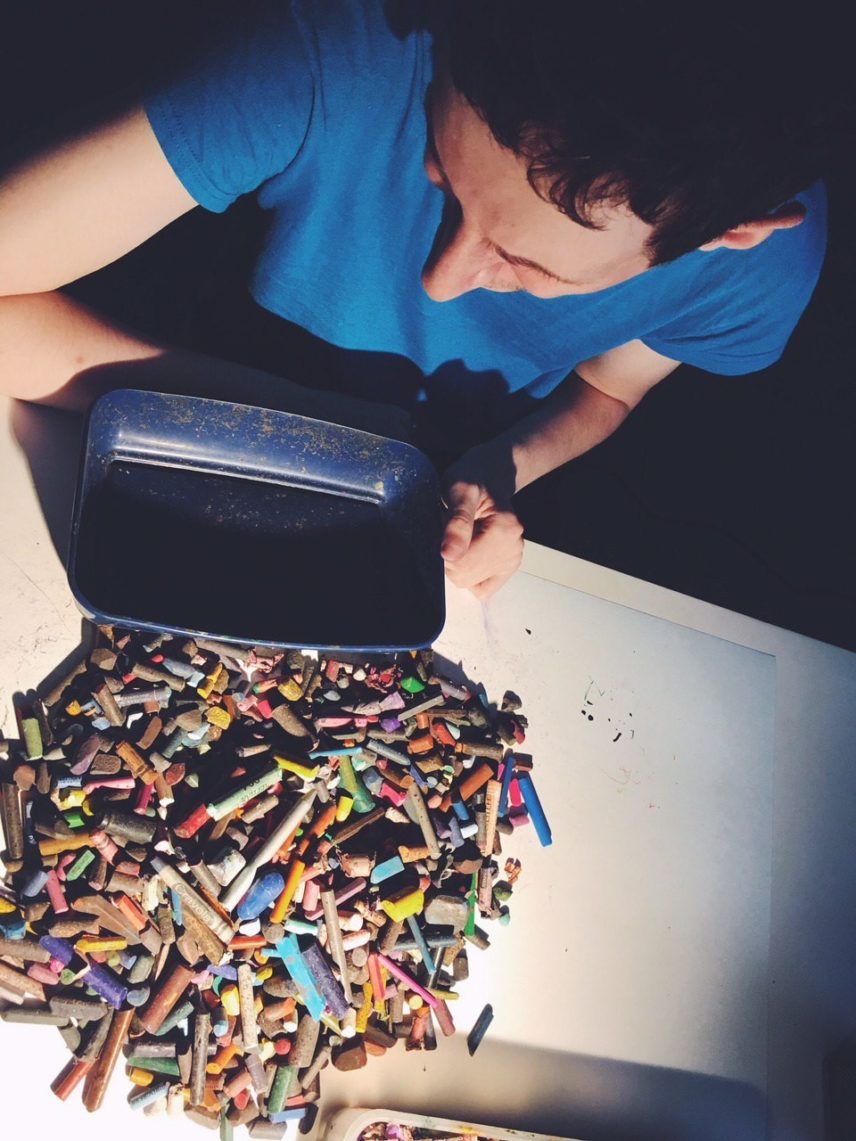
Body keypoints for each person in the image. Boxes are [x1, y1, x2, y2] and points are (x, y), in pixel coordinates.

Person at [0, 1, 842, 598]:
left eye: (524, 262)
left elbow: (611, 385)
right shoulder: (338, 50)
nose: (440, 280)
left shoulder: (756, 272)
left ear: (730, 231)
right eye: (442, 172)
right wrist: (318, 427)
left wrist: (505, 465)